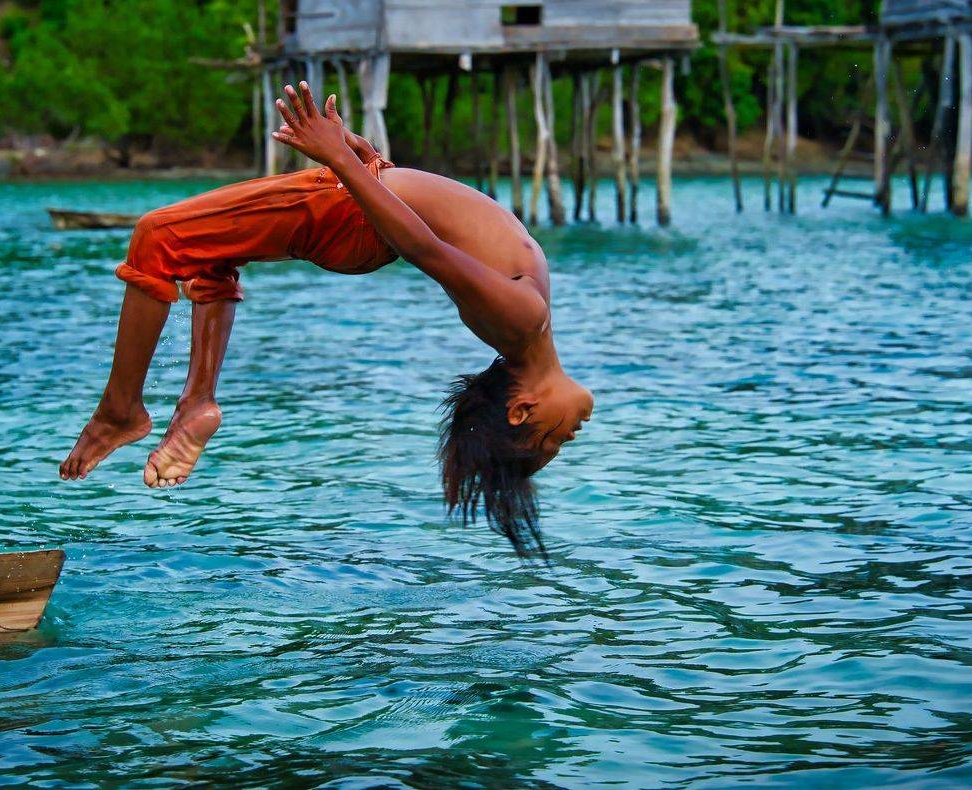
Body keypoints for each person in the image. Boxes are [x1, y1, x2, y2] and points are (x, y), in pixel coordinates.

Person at [60, 82, 592, 557]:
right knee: (209, 252)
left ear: (521, 410)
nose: (573, 435)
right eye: (560, 443)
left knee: (158, 235)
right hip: (361, 203)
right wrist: (371, 162)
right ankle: (196, 401)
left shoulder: (520, 323)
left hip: (348, 212)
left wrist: (344, 163)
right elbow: (446, 226)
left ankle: (120, 411)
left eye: (558, 440)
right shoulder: (525, 325)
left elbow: (425, 248)